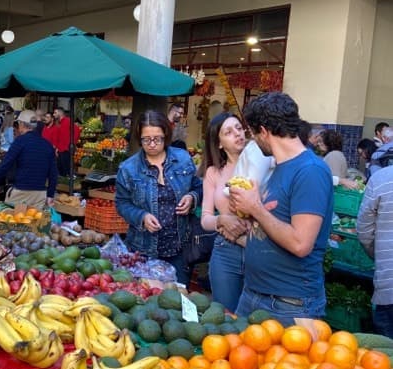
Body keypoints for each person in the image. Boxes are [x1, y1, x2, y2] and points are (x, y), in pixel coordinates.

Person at [228, 92, 333, 325]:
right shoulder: (278, 168)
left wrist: (256, 208)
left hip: (288, 303)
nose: (253, 140)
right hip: (254, 293)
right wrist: (248, 213)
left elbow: (300, 243)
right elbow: (273, 221)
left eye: (253, 134)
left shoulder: (310, 171)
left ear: (264, 131)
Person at [115, 110, 202, 287]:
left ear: (166, 135)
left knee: (177, 300)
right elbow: (121, 203)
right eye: (146, 139)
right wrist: (141, 216)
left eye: (158, 138)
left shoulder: (183, 159)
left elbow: (199, 187)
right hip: (143, 249)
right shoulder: (129, 168)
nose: (152, 144)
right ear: (139, 138)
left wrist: (192, 198)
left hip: (179, 248)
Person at [200, 113, 248, 312]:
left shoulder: (264, 163)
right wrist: (222, 220)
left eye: (238, 128)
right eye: (228, 132)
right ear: (219, 143)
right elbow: (205, 218)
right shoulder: (213, 172)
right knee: (225, 316)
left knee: (255, 321)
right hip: (225, 250)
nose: (237, 134)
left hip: (258, 248)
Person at [0, 110, 58, 210]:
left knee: (13, 222)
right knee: (35, 223)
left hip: (20, 192)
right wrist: (50, 194)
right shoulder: (47, 145)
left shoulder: (20, 141)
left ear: (21, 124)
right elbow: (53, 173)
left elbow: (5, 164)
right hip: (40, 194)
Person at [356, 165, 393, 338]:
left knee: (385, 360)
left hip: (389, 285)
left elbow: (364, 231)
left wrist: (380, 257)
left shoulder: (380, 179)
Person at [52, 106, 80, 176]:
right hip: (61, 150)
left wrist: (71, 144)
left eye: (55, 113)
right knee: (61, 170)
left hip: (66, 150)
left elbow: (77, 131)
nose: (53, 114)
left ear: (60, 114)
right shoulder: (60, 123)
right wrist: (57, 148)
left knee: (66, 170)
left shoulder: (67, 121)